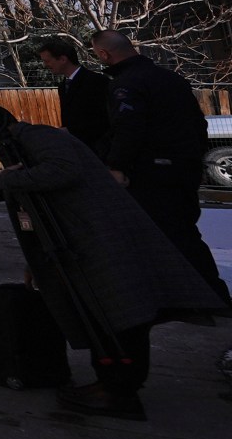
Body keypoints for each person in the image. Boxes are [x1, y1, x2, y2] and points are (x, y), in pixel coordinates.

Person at [0, 102, 224, 419]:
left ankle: (120, 390)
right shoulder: (22, 145)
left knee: (122, 313)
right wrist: (36, 262)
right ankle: (110, 382)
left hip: (102, 236)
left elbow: (64, 170)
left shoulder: (40, 138)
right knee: (101, 315)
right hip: (81, 239)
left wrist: (8, 179)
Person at [90, 28, 230, 302]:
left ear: (104, 54)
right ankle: (202, 294)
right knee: (183, 230)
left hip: (151, 171)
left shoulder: (126, 84)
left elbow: (128, 127)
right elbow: (196, 122)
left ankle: (198, 297)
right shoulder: (169, 78)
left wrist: (116, 166)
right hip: (183, 167)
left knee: (162, 233)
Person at [35, 34, 113, 155]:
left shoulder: (96, 82)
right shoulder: (63, 86)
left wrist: (71, 131)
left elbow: (105, 119)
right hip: (78, 149)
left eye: (47, 61)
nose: (45, 65)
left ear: (63, 59)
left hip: (100, 150)